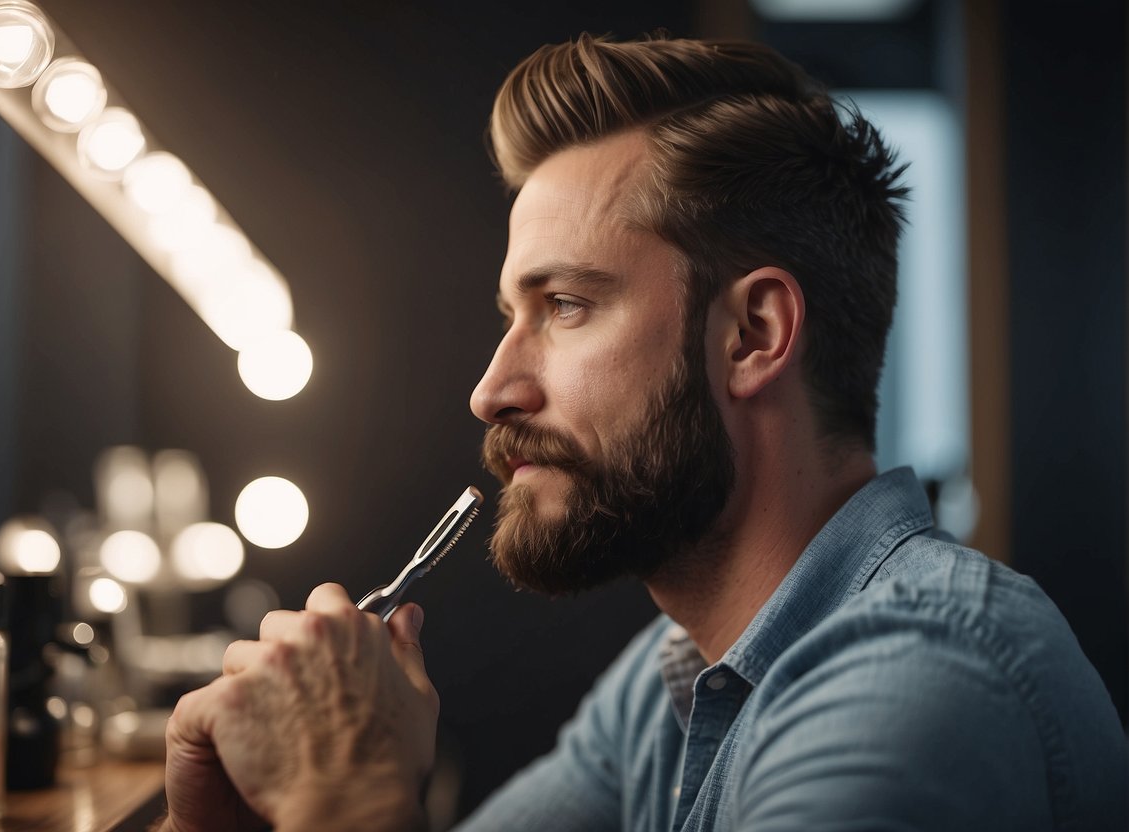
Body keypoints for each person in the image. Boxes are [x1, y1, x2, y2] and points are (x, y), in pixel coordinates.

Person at [158, 34, 1127, 832]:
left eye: (567, 304)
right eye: (511, 312)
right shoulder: (673, 677)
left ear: (751, 334)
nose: (491, 388)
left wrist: (345, 789)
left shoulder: (920, 686)